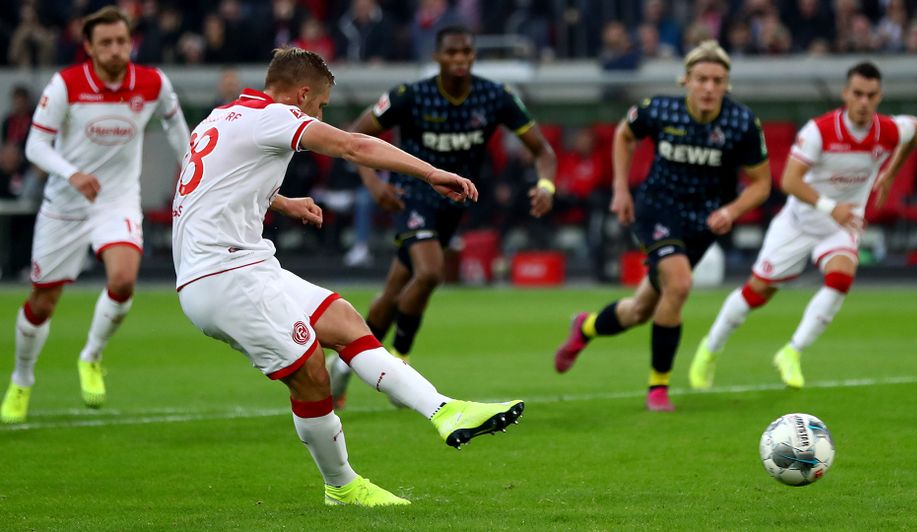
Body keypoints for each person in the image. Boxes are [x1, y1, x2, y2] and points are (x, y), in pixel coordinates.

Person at [171, 47, 525, 507]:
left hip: (245, 265)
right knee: (311, 374)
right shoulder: (275, 117)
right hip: (223, 276)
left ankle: (445, 411)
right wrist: (429, 172)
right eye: (319, 106)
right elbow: (353, 145)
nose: (321, 114)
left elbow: (211, 182)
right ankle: (342, 486)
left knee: (342, 319)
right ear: (301, 95)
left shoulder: (223, 118)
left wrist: (281, 202)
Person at [329, 25, 557, 409]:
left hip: (455, 202)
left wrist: (546, 186)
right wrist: (373, 184)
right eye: (452, 53)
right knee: (431, 272)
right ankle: (400, 367)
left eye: (466, 53)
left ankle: (344, 363)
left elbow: (543, 150)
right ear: (437, 57)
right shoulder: (410, 96)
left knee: (394, 289)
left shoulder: (494, 96)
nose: (460, 60)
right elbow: (357, 135)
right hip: (414, 195)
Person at [553, 40, 771, 412]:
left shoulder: (742, 123)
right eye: (701, 79)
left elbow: (762, 183)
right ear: (685, 80)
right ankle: (659, 387)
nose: (709, 87)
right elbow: (624, 134)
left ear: (727, 85)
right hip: (657, 209)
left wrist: (732, 210)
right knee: (681, 283)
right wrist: (622, 189)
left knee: (640, 310)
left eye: (717, 80)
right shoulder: (660, 109)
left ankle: (585, 327)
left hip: (704, 221)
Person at [0, 6, 190, 424]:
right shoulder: (66, 84)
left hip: (117, 201)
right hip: (65, 206)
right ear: (88, 47)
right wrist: (72, 174)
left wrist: (194, 171)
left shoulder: (153, 82)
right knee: (42, 302)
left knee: (123, 280)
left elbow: (178, 130)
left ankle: (91, 356)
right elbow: (35, 146)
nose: (116, 50)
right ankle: (22, 378)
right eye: (106, 43)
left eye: (122, 41)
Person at [689, 62, 917, 390]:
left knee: (841, 278)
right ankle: (710, 348)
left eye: (871, 95)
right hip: (799, 222)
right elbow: (787, 180)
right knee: (757, 291)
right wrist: (831, 207)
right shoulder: (820, 131)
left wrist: (891, 172)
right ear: (845, 94)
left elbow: (916, 127)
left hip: (841, 225)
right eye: (857, 94)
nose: (863, 102)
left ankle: (792, 351)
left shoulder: (888, 130)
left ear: (880, 97)